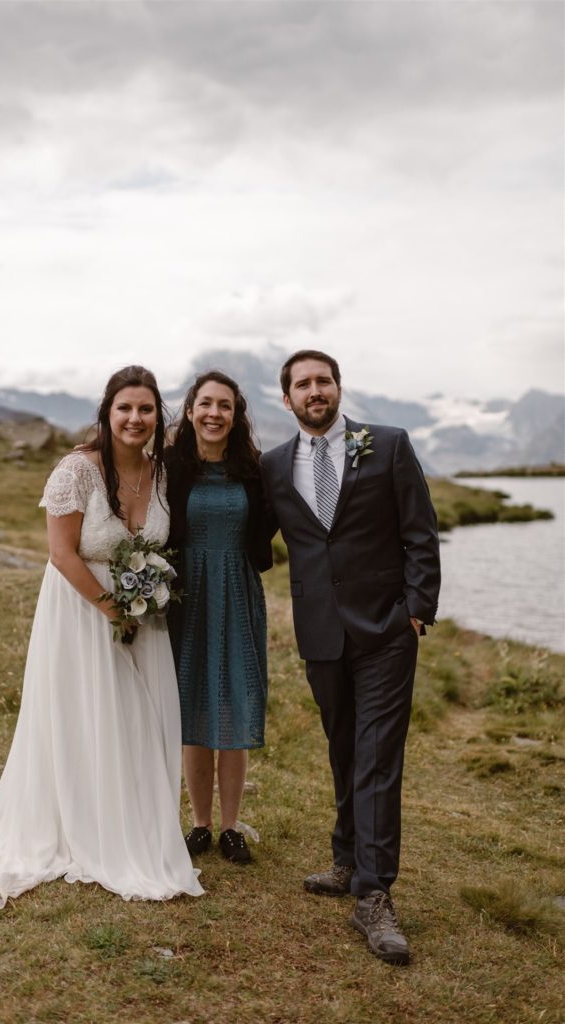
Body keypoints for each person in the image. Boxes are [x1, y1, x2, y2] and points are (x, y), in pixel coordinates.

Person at [0, 366, 204, 907]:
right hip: (81, 610)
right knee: (88, 713)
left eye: (146, 409)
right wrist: (111, 609)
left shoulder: (163, 471)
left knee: (139, 718)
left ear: (158, 417)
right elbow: (61, 553)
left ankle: (136, 824)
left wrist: (144, 599)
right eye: (125, 408)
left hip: (142, 615)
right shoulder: (75, 470)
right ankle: (82, 826)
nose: (135, 418)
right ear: (107, 412)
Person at [260, 350, 441, 964]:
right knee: (343, 747)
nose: (315, 391)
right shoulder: (273, 466)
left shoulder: (387, 444)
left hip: (387, 631)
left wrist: (416, 608)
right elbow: (254, 536)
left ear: (338, 388)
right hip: (321, 634)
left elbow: (421, 529)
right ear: (286, 399)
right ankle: (345, 858)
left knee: (377, 756)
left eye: (323, 380)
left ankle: (373, 893)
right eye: (303, 384)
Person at [166, 370, 273, 864]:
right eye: (205, 403)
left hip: (236, 592)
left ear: (235, 415)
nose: (214, 413)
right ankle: (200, 825)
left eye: (224, 406)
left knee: (232, 700)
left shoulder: (255, 471)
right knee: (194, 705)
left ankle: (231, 827)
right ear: (190, 411)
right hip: (187, 596)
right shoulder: (170, 468)